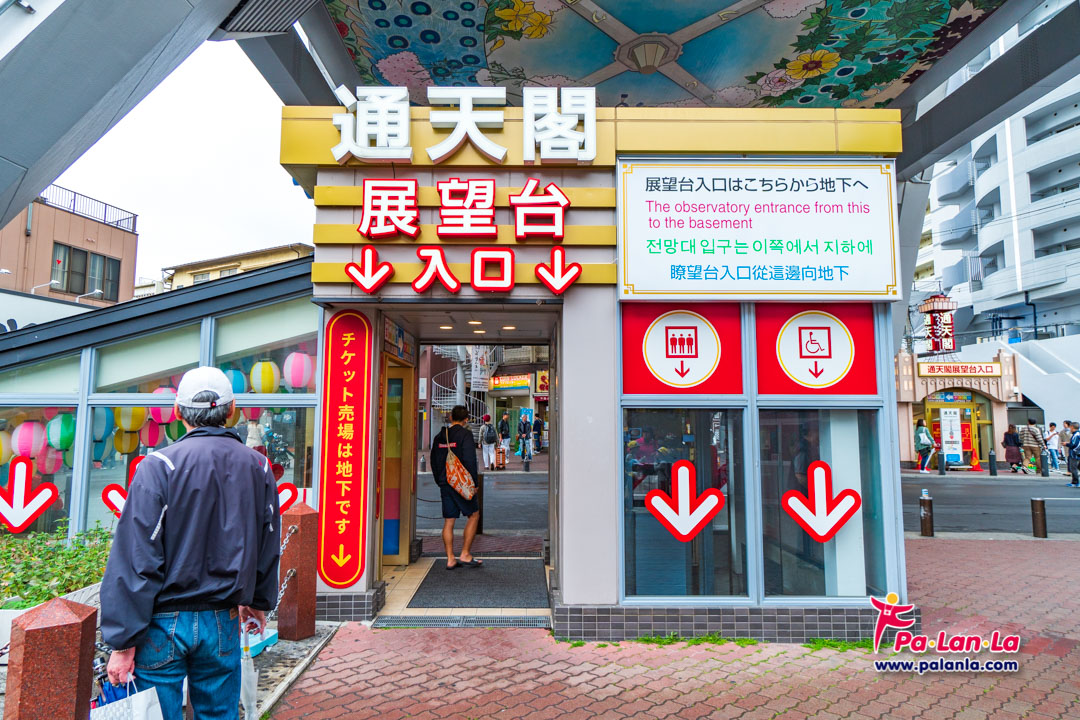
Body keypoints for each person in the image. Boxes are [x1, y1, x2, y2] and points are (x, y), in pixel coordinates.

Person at [101, 367, 280, 720]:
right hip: (222, 619)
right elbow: (267, 540)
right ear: (232, 410)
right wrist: (257, 600)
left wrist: (122, 642)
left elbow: (136, 556)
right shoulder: (257, 466)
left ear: (178, 412)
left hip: (161, 623)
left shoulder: (158, 466)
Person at [430, 404, 483, 570]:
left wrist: (440, 480)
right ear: (466, 419)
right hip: (461, 483)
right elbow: (469, 460)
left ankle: (450, 558)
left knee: (449, 520)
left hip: (445, 482)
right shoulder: (465, 435)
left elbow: (433, 459)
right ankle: (465, 554)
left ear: (451, 417)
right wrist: (473, 483)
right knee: (474, 515)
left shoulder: (440, 435)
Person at [1068, 421, 1080, 487]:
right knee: (1076, 467)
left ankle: (1075, 482)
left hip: (1074, 454)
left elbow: (1074, 445)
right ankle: (1074, 482)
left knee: (1073, 468)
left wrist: (1066, 444)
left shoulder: (1076, 435)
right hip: (1076, 453)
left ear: (1072, 427)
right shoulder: (1077, 434)